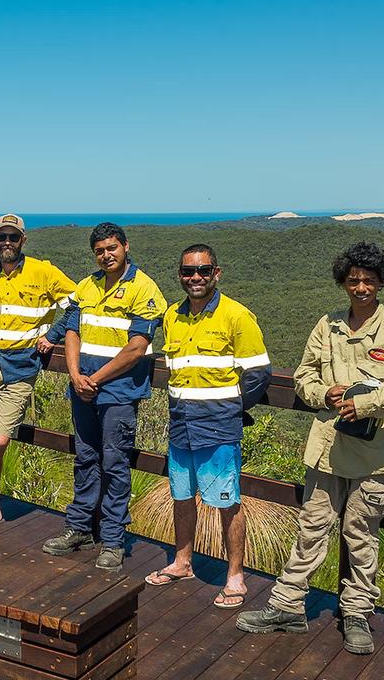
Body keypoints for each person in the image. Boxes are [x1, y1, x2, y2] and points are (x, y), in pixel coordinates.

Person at [237, 242, 384, 655]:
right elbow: (304, 376)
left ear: (380, 282)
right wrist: (323, 394)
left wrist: (365, 403)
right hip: (328, 449)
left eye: (368, 280)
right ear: (343, 282)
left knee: (361, 535)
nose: (360, 287)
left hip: (380, 455)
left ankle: (357, 615)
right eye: (353, 281)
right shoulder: (327, 326)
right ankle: (288, 606)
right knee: (311, 528)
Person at [143, 244, 271, 609]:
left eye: (202, 271)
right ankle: (183, 563)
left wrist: (231, 409)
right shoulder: (172, 316)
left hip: (218, 429)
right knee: (181, 497)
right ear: (180, 275)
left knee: (227, 501)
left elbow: (259, 373)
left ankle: (235, 577)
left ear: (217, 273)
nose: (195, 278)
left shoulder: (236, 316)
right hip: (180, 423)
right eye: (187, 272)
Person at [39, 222, 167, 569]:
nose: (106, 255)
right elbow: (71, 331)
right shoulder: (86, 286)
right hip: (83, 389)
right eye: (100, 251)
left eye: (112, 248)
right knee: (84, 459)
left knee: (115, 464)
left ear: (125, 246)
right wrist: (75, 375)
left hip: (118, 392)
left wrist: (91, 378)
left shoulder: (144, 288)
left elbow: (137, 347)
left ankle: (112, 540)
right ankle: (79, 527)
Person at [0, 214, 76, 529]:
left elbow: (78, 304)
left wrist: (52, 336)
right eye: (2, 237)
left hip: (20, 368)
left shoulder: (44, 272)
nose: (7, 243)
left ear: (23, 240)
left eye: (13, 237)